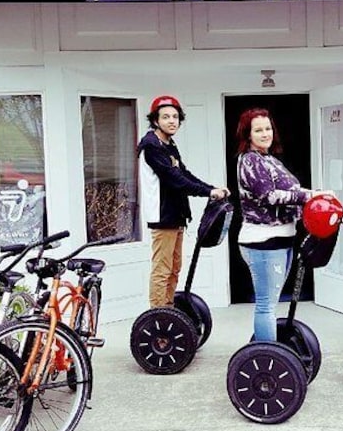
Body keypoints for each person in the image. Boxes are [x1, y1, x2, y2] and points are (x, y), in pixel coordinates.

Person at [235, 107, 322, 342]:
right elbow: (269, 196)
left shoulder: (269, 159)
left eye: (268, 128)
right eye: (258, 130)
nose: (265, 134)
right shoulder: (250, 161)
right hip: (262, 242)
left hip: (282, 239)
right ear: (247, 134)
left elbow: (292, 190)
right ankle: (266, 358)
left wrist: (317, 194)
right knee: (266, 306)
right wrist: (309, 196)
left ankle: (270, 351)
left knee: (271, 303)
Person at [138, 95, 229, 308]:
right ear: (155, 120)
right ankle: (158, 317)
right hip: (163, 216)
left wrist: (211, 189)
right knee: (162, 269)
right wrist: (209, 192)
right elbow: (175, 179)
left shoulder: (168, 144)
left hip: (176, 215)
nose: (172, 121)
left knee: (174, 268)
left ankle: (168, 309)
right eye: (166, 117)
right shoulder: (152, 146)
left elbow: (185, 173)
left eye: (175, 117)